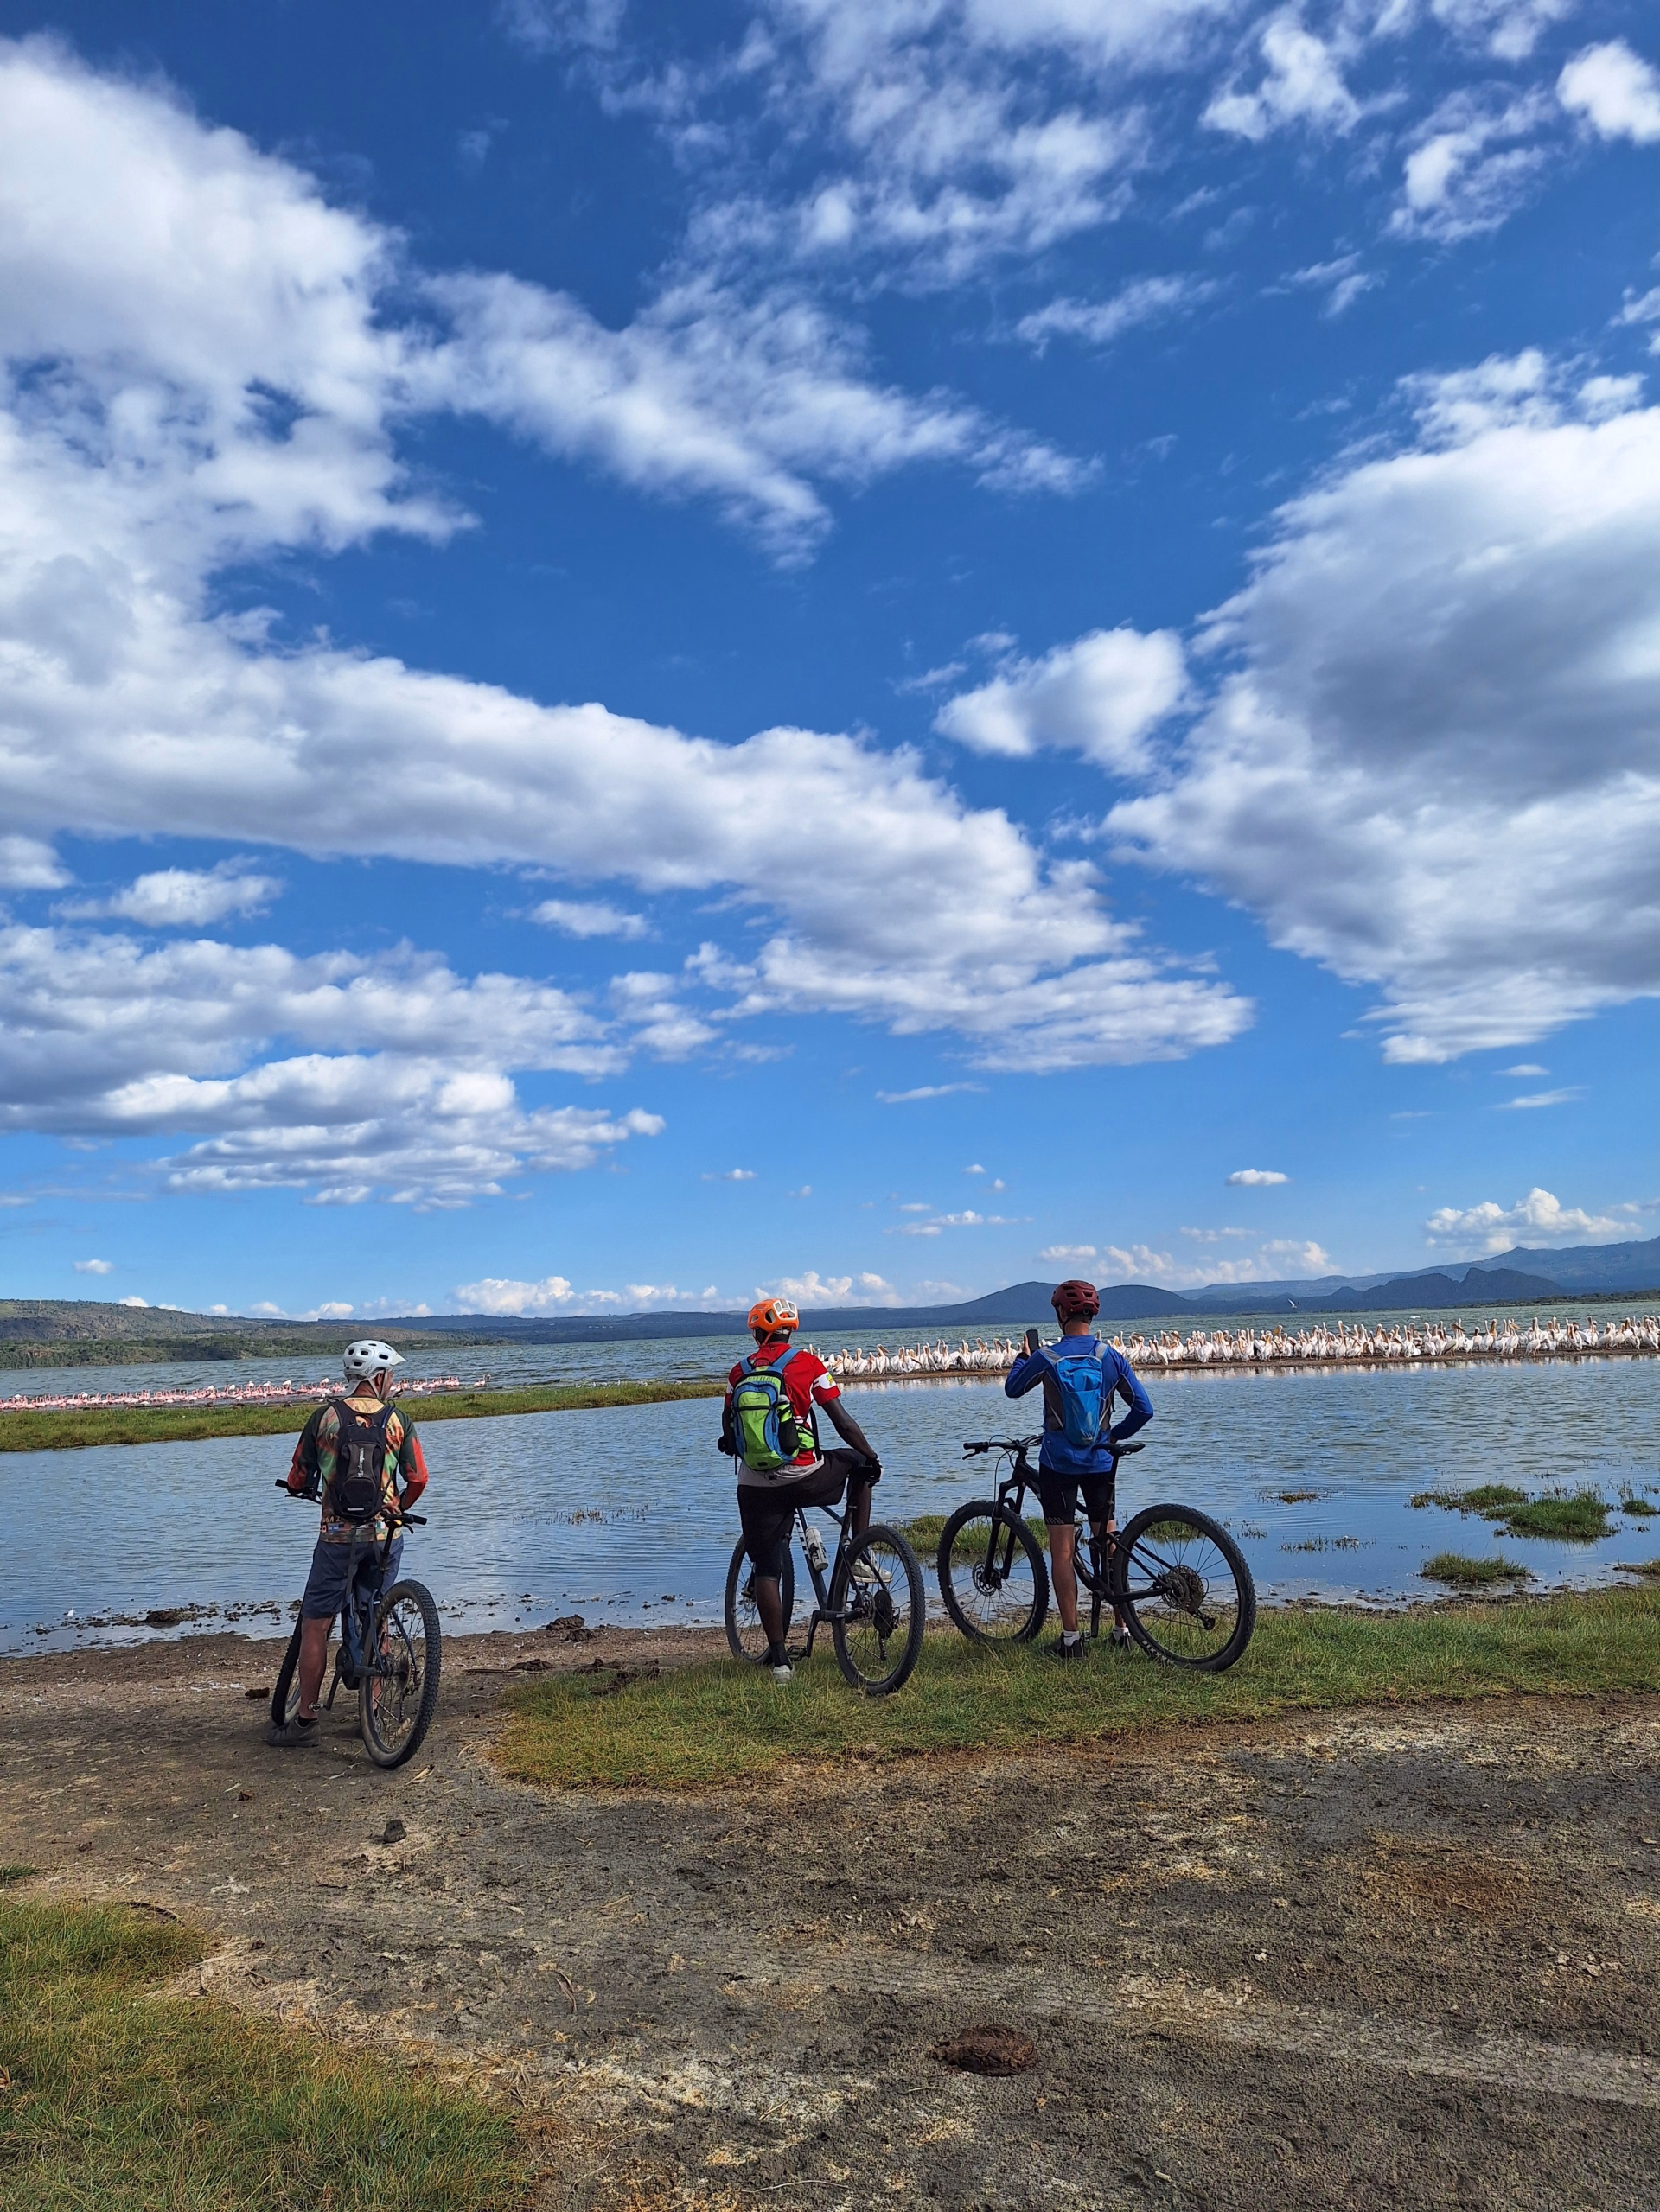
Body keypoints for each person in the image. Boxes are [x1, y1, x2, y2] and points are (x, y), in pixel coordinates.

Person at [268, 1338, 429, 1746]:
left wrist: (298, 1486)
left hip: (337, 1539)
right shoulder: (397, 1421)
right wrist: (397, 1507)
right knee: (377, 1614)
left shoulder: (325, 1418)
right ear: (379, 1378)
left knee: (316, 1624)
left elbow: (299, 1475)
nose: (393, 1383)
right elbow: (419, 1478)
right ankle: (371, 1714)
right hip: (384, 1536)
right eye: (391, 1376)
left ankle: (305, 1720)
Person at [720, 1295, 883, 1685]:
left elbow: (729, 1431)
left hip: (755, 1485)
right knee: (858, 1465)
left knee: (766, 1569)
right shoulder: (808, 1364)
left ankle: (780, 1665)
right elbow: (842, 1422)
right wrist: (872, 1456)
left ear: (758, 1334)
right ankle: (859, 1549)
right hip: (806, 1476)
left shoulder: (738, 1372)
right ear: (789, 1332)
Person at [1005, 1280, 1152, 1662]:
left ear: (1060, 1313)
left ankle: (1071, 1640)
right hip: (1101, 1462)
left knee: (1062, 1550)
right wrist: (1113, 1436)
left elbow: (1013, 1389)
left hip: (1058, 1463)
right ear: (1091, 1315)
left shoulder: (1047, 1357)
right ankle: (1122, 1630)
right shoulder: (1110, 1356)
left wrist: (1023, 1357)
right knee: (1109, 1540)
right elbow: (1144, 1409)